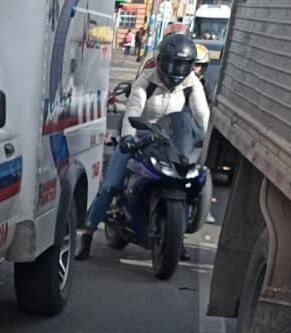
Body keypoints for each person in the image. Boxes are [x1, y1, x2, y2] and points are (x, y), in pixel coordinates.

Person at [79, 33, 208, 259]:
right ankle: (87, 235)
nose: (175, 69)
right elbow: (133, 110)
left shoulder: (192, 84)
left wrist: (205, 139)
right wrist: (128, 138)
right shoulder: (146, 81)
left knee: (188, 182)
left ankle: (177, 238)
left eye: (182, 64)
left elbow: (202, 115)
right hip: (141, 137)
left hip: (173, 142)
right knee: (110, 186)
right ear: (161, 60)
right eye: (171, 62)